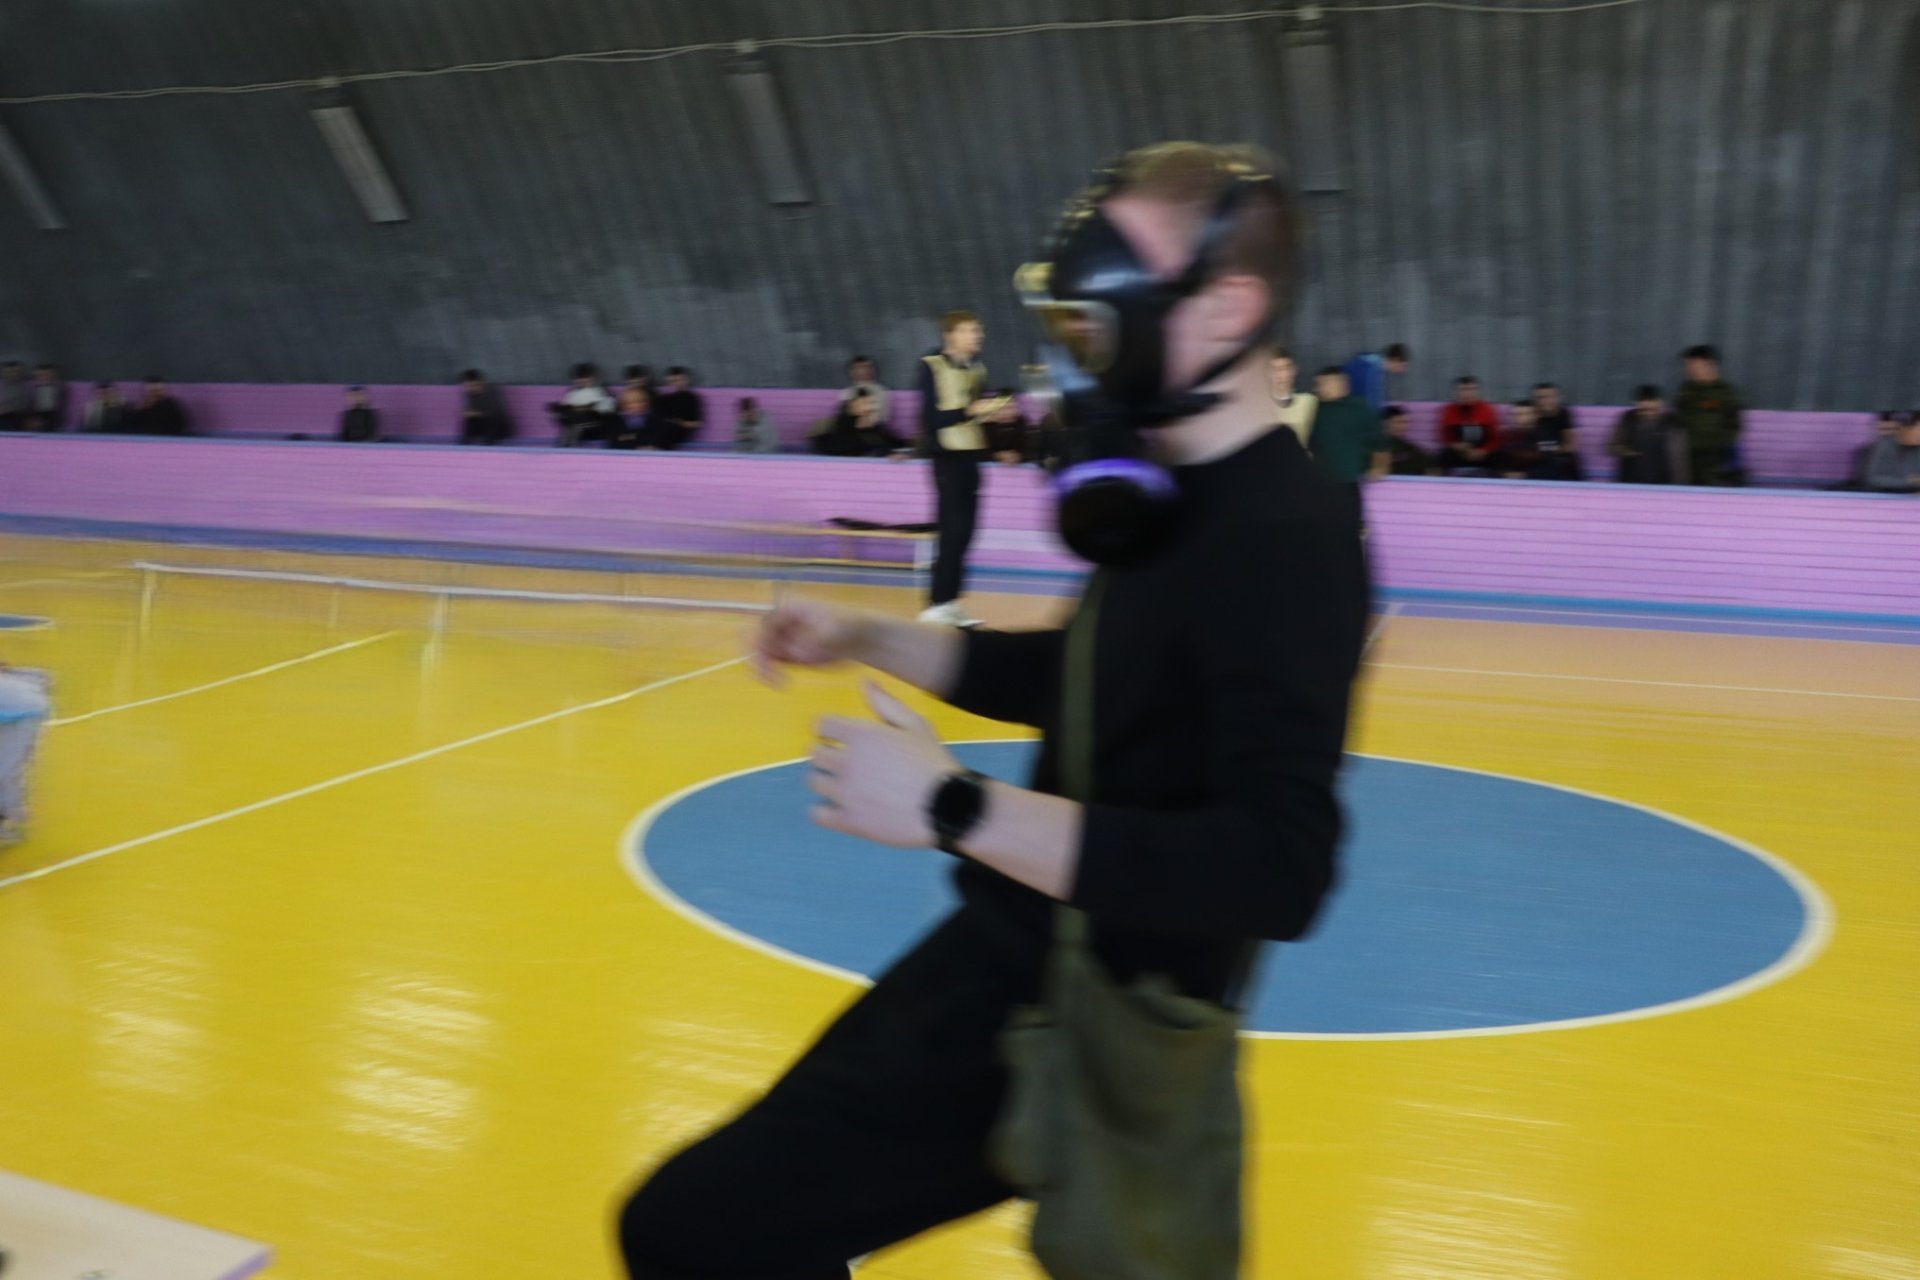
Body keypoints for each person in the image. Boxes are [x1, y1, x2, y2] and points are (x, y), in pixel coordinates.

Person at [616, 138, 1369, 1280]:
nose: (1083, 345)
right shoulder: (1174, 497)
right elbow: (1087, 676)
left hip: (1083, 1009)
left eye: (1104, 315)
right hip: (1013, 953)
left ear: (1229, 310)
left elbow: (1279, 868)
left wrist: (954, 808)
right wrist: (872, 636)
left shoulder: (1286, 536)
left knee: (692, 1231)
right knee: (725, 1229)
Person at [916, 311, 994, 627]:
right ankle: (936, 604)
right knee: (952, 532)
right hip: (947, 459)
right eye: (971, 330)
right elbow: (930, 419)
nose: (978, 335)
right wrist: (969, 411)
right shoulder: (931, 366)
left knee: (967, 534)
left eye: (979, 330)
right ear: (951, 335)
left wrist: (989, 413)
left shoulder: (978, 369)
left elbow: (972, 415)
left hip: (971, 456)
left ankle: (951, 601)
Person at [1309, 366, 1389, 522]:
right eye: (1318, 384)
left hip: (1348, 483)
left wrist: (1380, 466)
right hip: (1317, 483)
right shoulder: (1312, 407)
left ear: (1342, 384)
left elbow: (1379, 442)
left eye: (1325, 383)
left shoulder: (1359, 407)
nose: (1319, 388)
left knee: (1350, 526)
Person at [1674, 344, 1745, 486]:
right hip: (1688, 465)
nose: (1688, 369)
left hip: (1716, 466)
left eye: (1693, 364)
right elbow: (1678, 422)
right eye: (1687, 365)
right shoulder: (1685, 392)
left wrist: (1718, 449)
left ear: (1710, 364)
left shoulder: (1726, 393)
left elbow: (1735, 426)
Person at [0, 662, 51, 846]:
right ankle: (11, 812)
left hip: (24, 715)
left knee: (6, 770)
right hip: (21, 706)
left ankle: (9, 818)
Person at [1610, 385, 1683, 484]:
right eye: (1643, 410)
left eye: (1652, 409)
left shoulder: (1671, 422)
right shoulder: (1628, 418)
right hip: (1631, 480)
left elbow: (1679, 458)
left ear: (1660, 403)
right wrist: (1625, 451)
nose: (1648, 413)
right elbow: (1612, 446)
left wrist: (1679, 484)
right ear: (1636, 404)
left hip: (1663, 482)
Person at [1436, 376, 1501, 473]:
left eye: (1471, 390)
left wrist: (1483, 451)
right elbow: (1445, 436)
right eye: (1463, 390)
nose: (1467, 394)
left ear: (1477, 392)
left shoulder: (1487, 409)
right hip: (1459, 453)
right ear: (1456, 392)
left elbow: (1495, 438)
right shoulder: (1449, 410)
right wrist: (1456, 446)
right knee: (1444, 455)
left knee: (1499, 456)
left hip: (1482, 454)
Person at [550, 363, 616, 447]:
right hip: (575, 420)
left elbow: (608, 408)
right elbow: (566, 406)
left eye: (586, 379)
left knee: (578, 421)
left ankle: (570, 443)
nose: (583, 382)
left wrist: (588, 408)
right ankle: (566, 444)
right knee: (568, 419)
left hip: (595, 424)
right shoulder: (572, 393)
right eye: (580, 379)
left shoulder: (600, 391)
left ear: (593, 378)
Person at [1528, 382, 1584, 480]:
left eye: (1550, 397)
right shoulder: (1532, 416)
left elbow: (1570, 446)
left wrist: (1546, 448)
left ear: (1558, 398)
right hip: (1538, 466)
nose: (1546, 401)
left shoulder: (1564, 415)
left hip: (1562, 467)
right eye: (1541, 398)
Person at [645, 367, 705, 450]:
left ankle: (653, 448)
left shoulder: (691, 398)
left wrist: (680, 423)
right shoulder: (666, 398)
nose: (676, 383)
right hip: (663, 426)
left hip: (679, 429)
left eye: (679, 380)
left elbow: (698, 423)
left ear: (686, 380)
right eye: (672, 381)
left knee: (667, 427)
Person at [1341, 342, 1409, 413]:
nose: (1403, 370)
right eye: (1403, 365)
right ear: (1395, 359)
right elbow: (1368, 401)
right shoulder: (1371, 368)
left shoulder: (1373, 365)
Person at [1863, 414, 1920, 494]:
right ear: (1904, 429)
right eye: (1918, 429)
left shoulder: (1917, 449)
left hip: (1911, 495)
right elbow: (1873, 479)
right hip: (1883, 495)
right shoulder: (1883, 446)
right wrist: (1910, 482)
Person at [1271, 348, 1317, 447]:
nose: (1282, 375)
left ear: (1294, 370)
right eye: (1274, 370)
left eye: (1286, 368)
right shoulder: (1256, 407)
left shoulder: (1309, 402)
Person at [458, 369, 514, 445]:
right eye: (467, 386)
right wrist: (469, 413)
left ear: (479, 382)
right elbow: (473, 411)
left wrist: (475, 413)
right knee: (470, 420)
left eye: (471, 385)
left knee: (493, 419)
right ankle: (463, 444)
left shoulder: (491, 390)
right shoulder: (472, 394)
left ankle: (488, 443)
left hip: (499, 427)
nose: (469, 388)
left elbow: (495, 412)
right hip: (484, 426)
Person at [1381, 404, 1434, 475]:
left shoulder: (1412, 450)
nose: (1404, 426)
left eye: (1406, 422)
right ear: (1385, 423)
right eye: (1398, 422)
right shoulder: (1376, 446)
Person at [840, 356, 892, 427]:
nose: (864, 370)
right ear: (852, 372)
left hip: (873, 427)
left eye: (867, 367)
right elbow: (843, 416)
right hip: (849, 427)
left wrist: (870, 420)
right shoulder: (846, 392)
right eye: (859, 368)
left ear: (873, 370)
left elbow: (883, 417)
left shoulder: (881, 391)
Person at [23, 364, 67, 432]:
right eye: (41, 375)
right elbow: (30, 405)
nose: (45, 377)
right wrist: (31, 418)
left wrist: (42, 421)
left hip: (52, 415)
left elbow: (61, 407)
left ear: (54, 375)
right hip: (36, 414)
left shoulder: (60, 388)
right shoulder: (33, 389)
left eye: (48, 374)